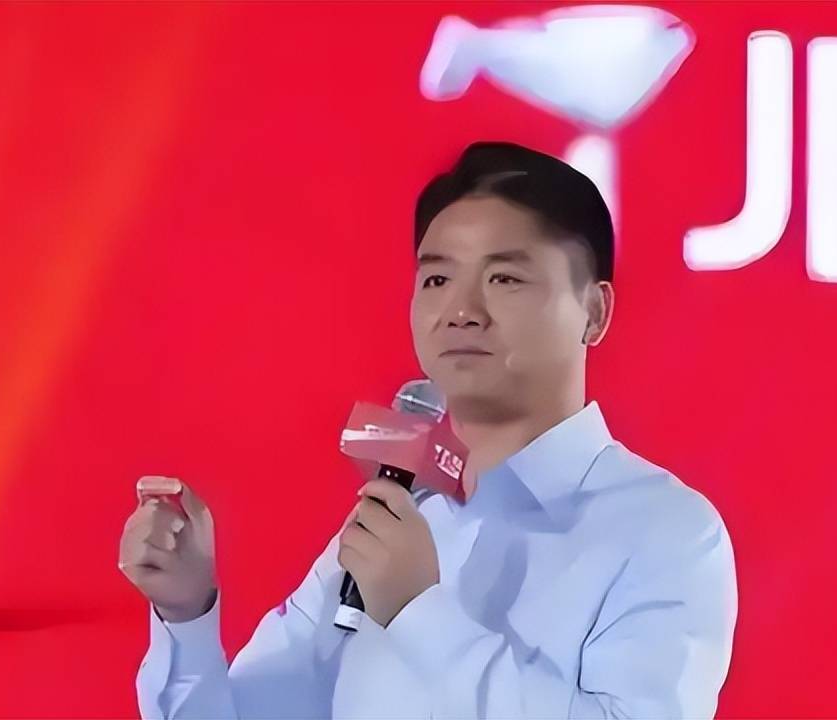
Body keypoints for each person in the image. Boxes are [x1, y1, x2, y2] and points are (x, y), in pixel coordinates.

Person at [119, 141, 739, 719]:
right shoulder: (404, 510)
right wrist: (186, 615)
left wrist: (419, 614)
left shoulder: (666, 530)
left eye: (504, 278)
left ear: (594, 311)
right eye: (437, 279)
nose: (461, 311)